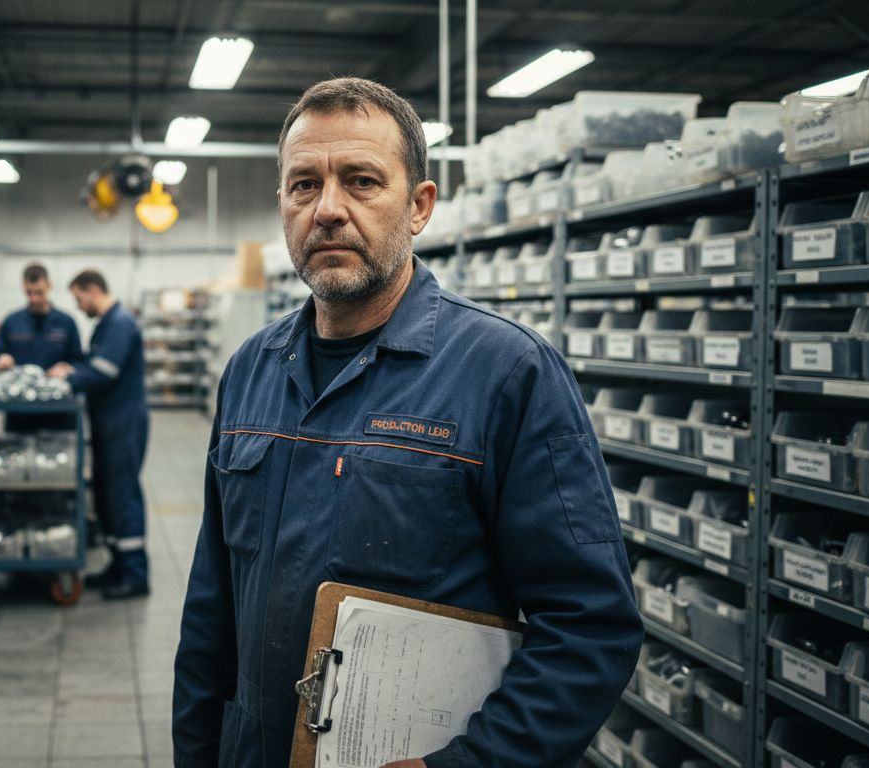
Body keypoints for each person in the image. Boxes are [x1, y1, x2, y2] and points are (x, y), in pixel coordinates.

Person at [172, 78, 642, 767]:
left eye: (361, 181)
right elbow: (211, 607)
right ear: (283, 205)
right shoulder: (250, 370)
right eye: (304, 185)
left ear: (419, 206)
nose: (328, 210)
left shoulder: (508, 373)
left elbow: (590, 625)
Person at [47, 270, 151, 600]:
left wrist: (68, 379)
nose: (78, 307)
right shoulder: (107, 324)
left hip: (123, 421)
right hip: (109, 421)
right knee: (107, 495)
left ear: (93, 290)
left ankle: (134, 575)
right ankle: (117, 565)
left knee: (122, 495)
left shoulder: (119, 323)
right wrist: (75, 370)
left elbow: (103, 373)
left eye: (79, 298)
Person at [0, 262, 83, 431]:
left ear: (49, 286)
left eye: (39, 292)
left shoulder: (66, 323)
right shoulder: (12, 321)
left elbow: (79, 361)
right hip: (19, 410)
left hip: (57, 410)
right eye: (29, 293)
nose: (34, 298)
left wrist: (68, 368)